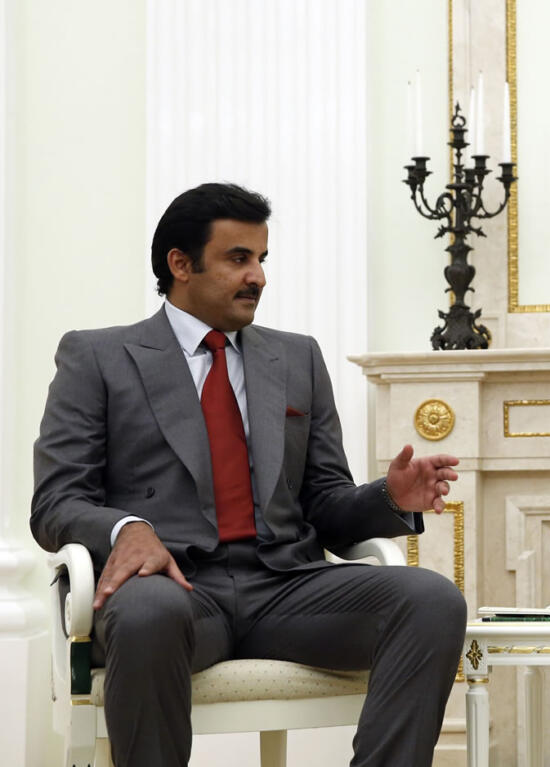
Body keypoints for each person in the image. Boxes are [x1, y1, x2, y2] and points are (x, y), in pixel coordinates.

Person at [31, 182, 467, 767]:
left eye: (261, 259)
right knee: (146, 612)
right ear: (180, 264)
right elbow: (56, 501)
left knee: (432, 599)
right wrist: (126, 527)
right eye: (239, 258)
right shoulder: (98, 357)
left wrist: (387, 497)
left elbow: (325, 503)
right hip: (176, 589)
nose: (257, 276)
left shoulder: (296, 358)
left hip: (287, 589)